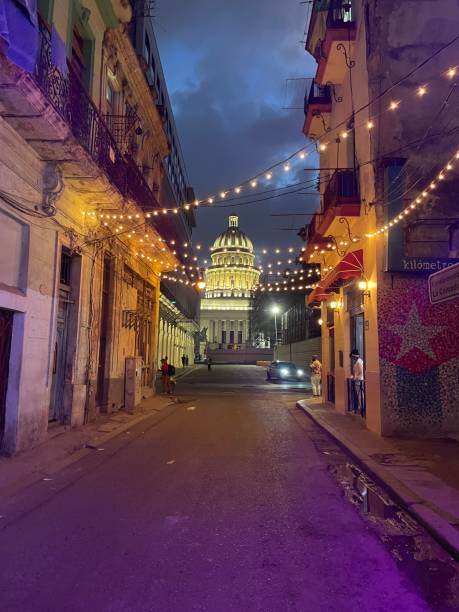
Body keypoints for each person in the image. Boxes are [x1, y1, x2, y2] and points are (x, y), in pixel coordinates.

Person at [350, 349, 365, 414]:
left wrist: (355, 378)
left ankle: (361, 408)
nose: (352, 359)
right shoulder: (359, 361)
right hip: (358, 381)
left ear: (354, 356)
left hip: (359, 382)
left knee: (360, 395)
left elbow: (361, 373)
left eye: (352, 357)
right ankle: (360, 407)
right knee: (360, 395)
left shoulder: (359, 362)